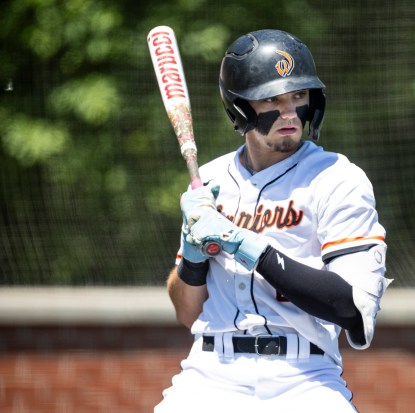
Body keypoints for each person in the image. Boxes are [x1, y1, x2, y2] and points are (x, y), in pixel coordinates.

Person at [155, 29, 391, 413]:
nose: (289, 112)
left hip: (303, 377)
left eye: (299, 96)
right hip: (211, 372)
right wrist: (191, 250)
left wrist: (245, 243)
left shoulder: (338, 178)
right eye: (272, 99)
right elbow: (187, 313)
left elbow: (353, 308)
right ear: (241, 107)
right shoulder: (211, 181)